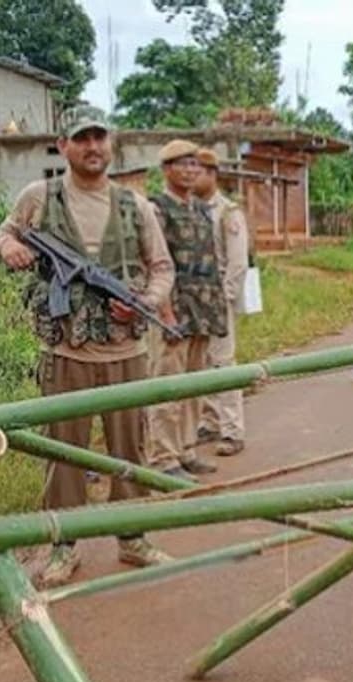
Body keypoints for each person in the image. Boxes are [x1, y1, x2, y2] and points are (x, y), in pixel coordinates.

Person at [0, 105, 176, 587]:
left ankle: (132, 538)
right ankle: (63, 545)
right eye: (82, 138)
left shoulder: (136, 206)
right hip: (65, 353)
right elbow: (4, 232)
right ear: (63, 146)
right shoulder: (39, 197)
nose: (93, 147)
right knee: (64, 453)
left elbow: (162, 269)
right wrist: (9, 247)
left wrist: (144, 303)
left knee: (129, 451)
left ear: (110, 144)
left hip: (124, 353)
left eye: (99, 137)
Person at [146, 140, 230, 478]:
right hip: (173, 311)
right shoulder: (157, 210)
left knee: (195, 386)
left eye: (195, 164)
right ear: (166, 169)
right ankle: (163, 457)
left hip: (201, 311)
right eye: (183, 163)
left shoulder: (201, 209)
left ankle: (186, 449)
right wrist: (165, 314)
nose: (191, 170)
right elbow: (155, 265)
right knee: (168, 387)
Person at [193, 148, 250, 456]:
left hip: (217, 301)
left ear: (212, 174)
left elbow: (237, 263)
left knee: (223, 364)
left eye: (198, 171)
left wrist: (224, 298)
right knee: (201, 364)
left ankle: (232, 430)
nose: (191, 176)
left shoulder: (228, 212)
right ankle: (210, 421)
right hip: (193, 301)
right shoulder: (189, 209)